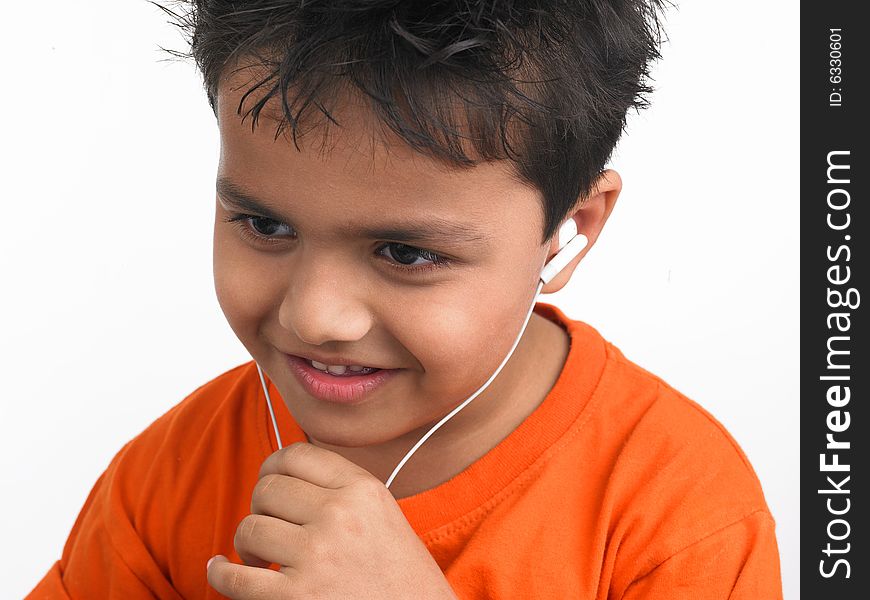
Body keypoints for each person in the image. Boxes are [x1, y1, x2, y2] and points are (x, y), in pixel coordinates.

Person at [27, 1, 783, 598]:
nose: (314, 317)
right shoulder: (173, 472)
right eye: (265, 224)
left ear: (567, 231)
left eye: (408, 253)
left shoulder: (678, 515)